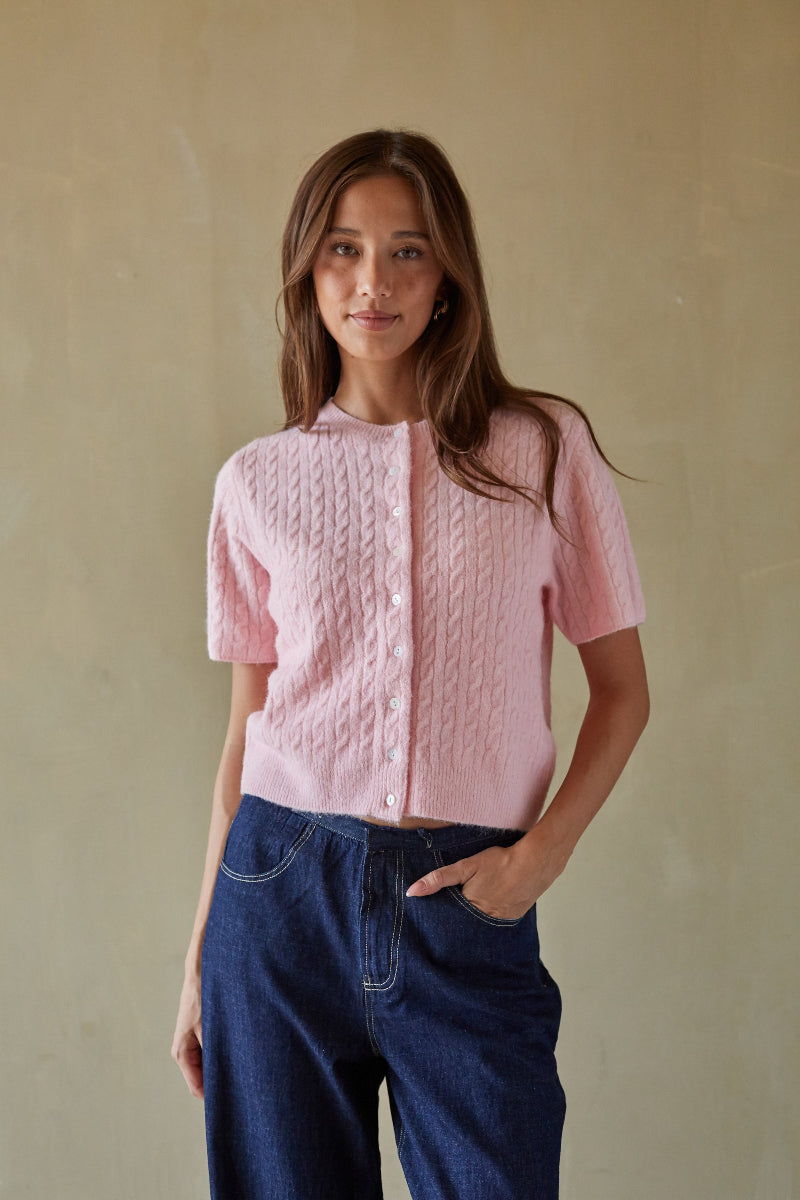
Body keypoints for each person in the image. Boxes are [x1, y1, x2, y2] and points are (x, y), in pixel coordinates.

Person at [171, 127, 650, 1200]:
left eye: (407, 251)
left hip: (465, 900)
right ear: (308, 271)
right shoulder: (256, 482)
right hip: (278, 899)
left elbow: (623, 694)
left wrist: (535, 861)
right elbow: (245, 732)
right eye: (342, 249)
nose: (372, 283)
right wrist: (199, 954)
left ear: (448, 277)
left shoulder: (543, 449)